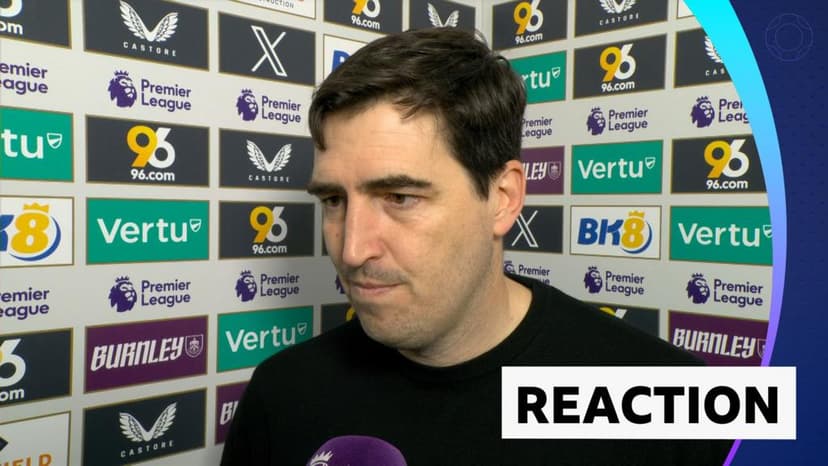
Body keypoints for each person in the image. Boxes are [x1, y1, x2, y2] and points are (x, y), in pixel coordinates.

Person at [220, 27, 732, 466]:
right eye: (334, 199)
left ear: (503, 198)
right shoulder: (282, 394)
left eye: (400, 197)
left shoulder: (668, 402)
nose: (352, 250)